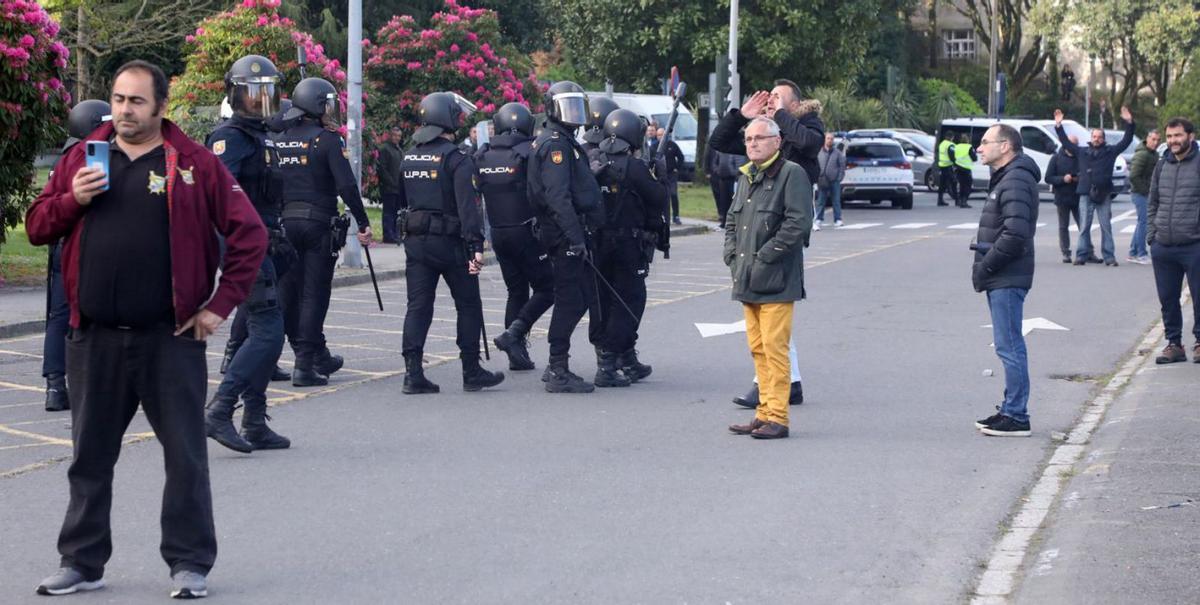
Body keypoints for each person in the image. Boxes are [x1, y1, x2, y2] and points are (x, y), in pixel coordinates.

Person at [26, 59, 267, 598]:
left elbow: (249, 234)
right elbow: (38, 227)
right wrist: (75, 198)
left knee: (184, 455)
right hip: (95, 337)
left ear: (161, 105)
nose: (124, 111)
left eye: (136, 101)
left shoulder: (195, 163)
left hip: (170, 336)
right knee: (89, 458)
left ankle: (189, 564)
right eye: (117, 99)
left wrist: (219, 306)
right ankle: (81, 563)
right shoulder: (81, 158)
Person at [709, 79, 823, 406]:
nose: (770, 101)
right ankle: (790, 383)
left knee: (774, 304)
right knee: (768, 311)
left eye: (778, 97)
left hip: (784, 220)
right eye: (768, 96)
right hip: (759, 216)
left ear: (795, 104)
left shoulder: (804, 124)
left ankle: (769, 390)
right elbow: (720, 142)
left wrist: (781, 118)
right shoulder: (762, 136)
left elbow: (809, 144)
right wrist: (740, 116)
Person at [203, 54, 292, 454]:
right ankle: (221, 408)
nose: (259, 102)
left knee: (265, 330)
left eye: (266, 94)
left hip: (263, 242)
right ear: (234, 95)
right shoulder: (231, 137)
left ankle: (254, 420)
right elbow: (221, 195)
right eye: (251, 95)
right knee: (268, 330)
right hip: (243, 244)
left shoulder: (261, 135)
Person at [398, 92, 505, 393]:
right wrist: (476, 247)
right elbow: (468, 207)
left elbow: (402, 199)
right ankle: (471, 371)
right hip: (451, 243)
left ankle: (412, 373)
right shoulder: (456, 158)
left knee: (418, 306)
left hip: (416, 241)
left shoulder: (409, 155)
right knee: (468, 304)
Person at [274, 77, 372, 386]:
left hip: (285, 224)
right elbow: (345, 185)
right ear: (318, 105)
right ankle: (305, 364)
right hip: (318, 225)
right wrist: (363, 221)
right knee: (314, 295)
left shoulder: (280, 139)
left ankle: (310, 355)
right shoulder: (328, 140)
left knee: (288, 294)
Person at [725, 117, 813, 440]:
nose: (752, 144)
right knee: (758, 349)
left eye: (759, 138)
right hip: (747, 278)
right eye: (748, 139)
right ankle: (764, 412)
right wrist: (732, 258)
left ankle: (778, 416)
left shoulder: (791, 174)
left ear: (777, 142)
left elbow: (798, 224)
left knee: (775, 350)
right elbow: (733, 221)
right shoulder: (748, 176)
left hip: (776, 279)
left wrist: (764, 258)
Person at [527, 80, 606, 393]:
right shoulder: (556, 145)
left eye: (577, 105)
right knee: (571, 299)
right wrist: (576, 238)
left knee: (578, 297)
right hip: (563, 235)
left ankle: (556, 364)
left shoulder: (559, 139)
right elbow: (557, 196)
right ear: (551, 108)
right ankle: (558, 367)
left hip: (563, 232)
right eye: (567, 106)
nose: (573, 113)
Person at [40, 99, 111, 412]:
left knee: (58, 317)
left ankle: (55, 385)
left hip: (60, 244)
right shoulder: (92, 157)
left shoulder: (64, 158)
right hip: (84, 245)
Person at [589, 108, 668, 386]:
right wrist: (662, 174)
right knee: (630, 301)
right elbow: (658, 198)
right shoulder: (634, 167)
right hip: (626, 244)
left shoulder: (593, 159)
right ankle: (609, 362)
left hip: (597, 243)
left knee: (604, 300)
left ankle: (623, 357)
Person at [971, 124, 1040, 437]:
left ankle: (1016, 415)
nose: (979, 148)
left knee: (1010, 346)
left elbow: (1015, 234)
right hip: (1003, 274)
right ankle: (1011, 409)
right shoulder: (1006, 177)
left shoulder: (1015, 179)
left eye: (986, 142)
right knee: (1007, 345)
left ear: (1006, 146)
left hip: (1007, 275)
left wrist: (986, 266)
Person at [481, 102, 554, 372]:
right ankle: (514, 335)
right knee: (549, 288)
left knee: (516, 290)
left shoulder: (484, 154)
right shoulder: (530, 152)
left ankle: (517, 353)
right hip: (527, 231)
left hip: (498, 233)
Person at [1147, 117, 1200, 364]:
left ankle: (1199, 342)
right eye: (1169, 137)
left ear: (1190, 136)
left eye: (1177, 136)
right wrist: (1152, 238)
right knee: (1168, 298)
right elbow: (1153, 202)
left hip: (1194, 245)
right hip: (1164, 245)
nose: (1173, 141)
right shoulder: (1162, 165)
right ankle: (1174, 344)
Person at [1054, 106, 1135, 266]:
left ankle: (1109, 257)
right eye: (1094, 136)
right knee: (1084, 226)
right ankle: (1081, 256)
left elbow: (1126, 140)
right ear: (1091, 137)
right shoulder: (1082, 151)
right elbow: (1065, 143)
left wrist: (1129, 122)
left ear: (1104, 139)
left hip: (1103, 193)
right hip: (1085, 193)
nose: (1096, 138)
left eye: (1099, 136)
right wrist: (1058, 126)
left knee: (1106, 227)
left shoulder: (1111, 151)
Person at [1044, 135, 1082, 263]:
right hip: (1062, 196)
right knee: (1063, 226)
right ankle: (1066, 252)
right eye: (1072, 144)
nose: (1074, 147)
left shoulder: (1080, 157)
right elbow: (1048, 177)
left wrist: (1078, 178)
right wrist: (1062, 179)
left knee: (1083, 225)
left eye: (1076, 144)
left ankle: (1087, 250)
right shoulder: (1056, 158)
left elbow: (1087, 174)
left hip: (1078, 196)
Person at [1127, 129, 1160, 264]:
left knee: (1142, 222)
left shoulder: (1153, 154)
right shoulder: (1143, 154)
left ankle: (1133, 252)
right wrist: (1146, 191)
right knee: (1144, 223)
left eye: (1158, 140)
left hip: (1144, 192)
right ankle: (1141, 253)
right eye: (1153, 139)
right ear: (1147, 138)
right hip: (1140, 193)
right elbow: (1133, 176)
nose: (1155, 143)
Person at [377, 125, 405, 244]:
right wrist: (392, 183)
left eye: (399, 136)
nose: (397, 138)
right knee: (388, 212)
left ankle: (395, 234)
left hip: (398, 188)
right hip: (389, 188)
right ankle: (388, 235)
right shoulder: (385, 149)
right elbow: (382, 169)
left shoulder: (399, 150)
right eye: (395, 135)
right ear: (390, 135)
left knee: (396, 212)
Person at [704, 143, 740, 229]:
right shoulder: (720, 152)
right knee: (723, 201)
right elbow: (714, 163)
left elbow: (738, 163)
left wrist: (734, 172)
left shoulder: (734, 152)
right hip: (722, 179)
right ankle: (723, 221)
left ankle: (733, 222)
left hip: (732, 179)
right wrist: (717, 171)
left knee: (732, 201)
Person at [815, 132, 846, 228]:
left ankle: (838, 219)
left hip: (834, 180)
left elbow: (842, 166)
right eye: (828, 138)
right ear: (825, 139)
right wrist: (816, 177)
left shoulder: (837, 153)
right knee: (821, 201)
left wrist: (839, 177)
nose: (830, 140)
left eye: (831, 139)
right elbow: (815, 165)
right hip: (822, 180)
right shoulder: (819, 152)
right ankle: (819, 219)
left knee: (836, 201)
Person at [657, 127, 685, 225]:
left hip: (671, 174)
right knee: (661, 196)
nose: (661, 137)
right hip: (660, 175)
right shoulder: (655, 146)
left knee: (673, 194)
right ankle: (662, 216)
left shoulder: (672, 145)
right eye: (659, 135)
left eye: (662, 134)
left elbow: (681, 157)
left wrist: (677, 168)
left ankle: (676, 216)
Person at [954, 133, 976, 208]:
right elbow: (974, 158)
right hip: (966, 169)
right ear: (967, 140)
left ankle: (960, 201)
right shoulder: (969, 147)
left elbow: (953, 156)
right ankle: (964, 201)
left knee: (961, 185)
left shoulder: (956, 146)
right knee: (968, 186)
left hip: (958, 168)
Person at [936, 132, 956, 206]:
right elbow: (952, 156)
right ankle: (957, 200)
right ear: (951, 137)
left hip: (942, 166)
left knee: (942, 184)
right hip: (948, 166)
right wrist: (956, 163)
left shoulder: (942, 144)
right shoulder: (950, 145)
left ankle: (940, 200)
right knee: (953, 182)